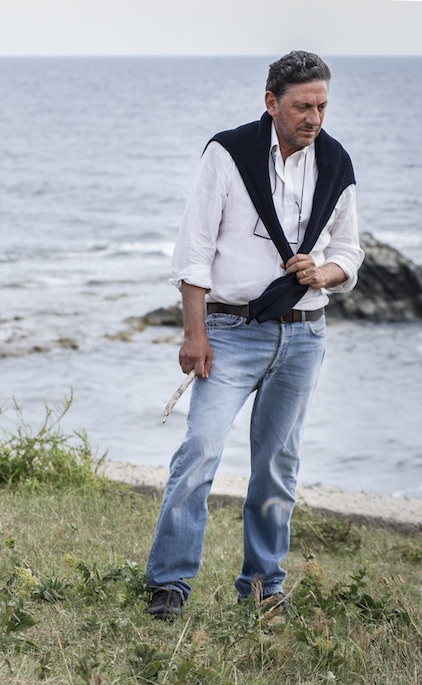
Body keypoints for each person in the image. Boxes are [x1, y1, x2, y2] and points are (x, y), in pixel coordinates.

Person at [144, 50, 364, 620]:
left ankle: (264, 586)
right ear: (271, 103)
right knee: (200, 449)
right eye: (302, 107)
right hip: (230, 330)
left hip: (304, 333)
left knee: (278, 465)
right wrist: (194, 335)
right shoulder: (228, 153)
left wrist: (323, 272)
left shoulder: (336, 161)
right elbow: (194, 250)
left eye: (322, 106)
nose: (314, 118)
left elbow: (348, 249)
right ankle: (169, 583)